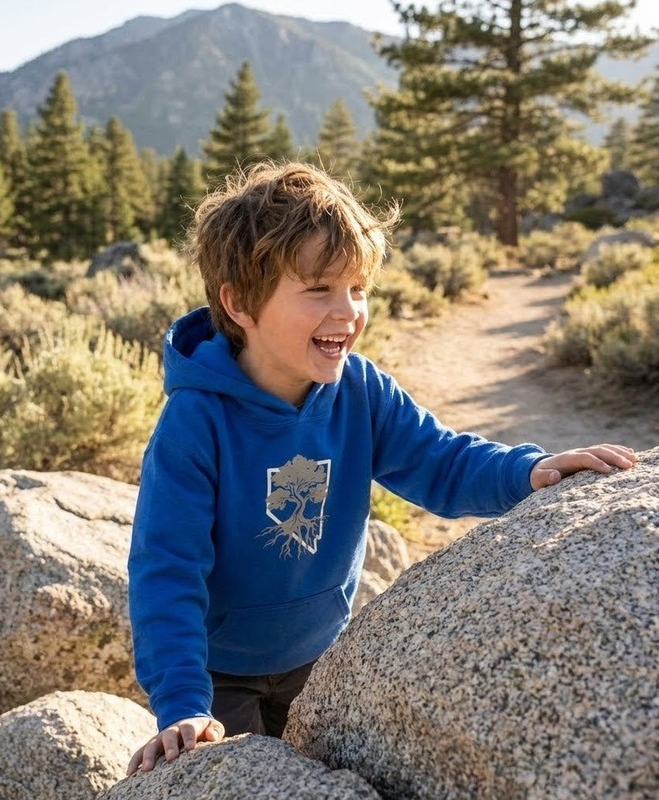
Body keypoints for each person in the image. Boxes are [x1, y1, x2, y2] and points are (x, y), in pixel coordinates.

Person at [126, 162, 637, 776]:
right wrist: (183, 701)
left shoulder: (360, 390)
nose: (348, 312)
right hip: (219, 674)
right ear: (239, 304)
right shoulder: (195, 423)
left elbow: (440, 461)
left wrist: (531, 473)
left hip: (325, 656)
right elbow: (167, 569)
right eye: (318, 290)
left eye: (358, 288)